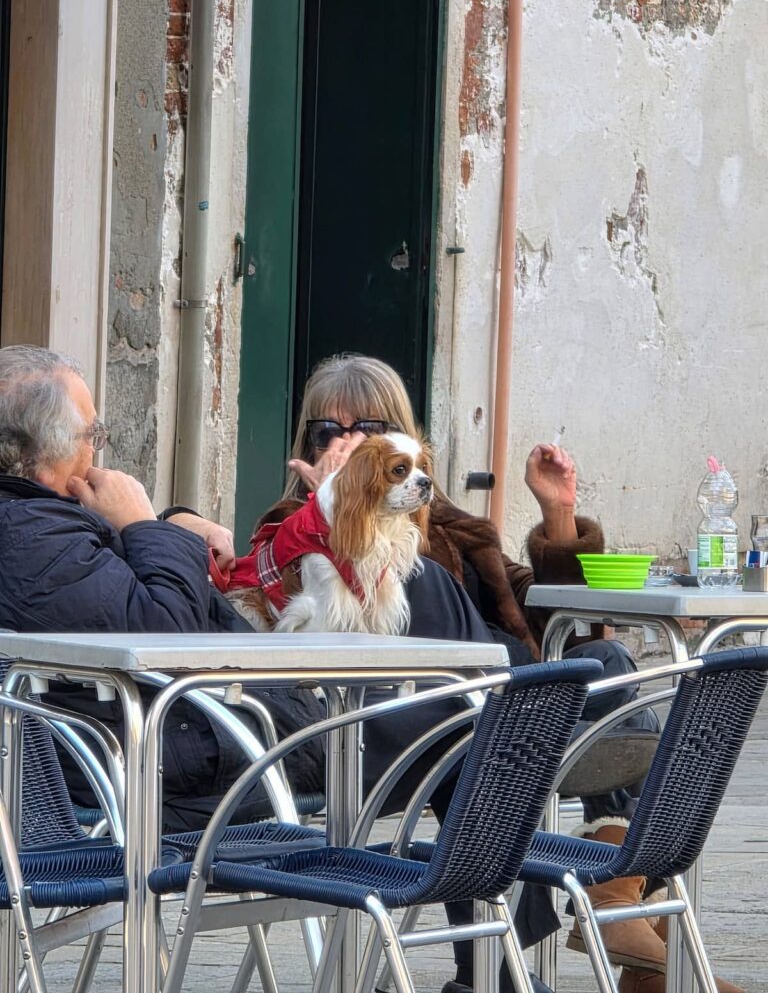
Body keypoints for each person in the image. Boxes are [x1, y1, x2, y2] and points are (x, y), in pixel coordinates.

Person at [0, 344, 554, 993]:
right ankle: (493, 974)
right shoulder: (31, 533)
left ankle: (484, 969)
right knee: (472, 738)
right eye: (92, 434)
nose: (100, 449)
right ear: (49, 450)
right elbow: (163, 632)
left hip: (207, 734)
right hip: (188, 757)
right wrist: (148, 527)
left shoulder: (45, 525)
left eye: (369, 433)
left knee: (470, 723)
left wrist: (160, 530)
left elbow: (140, 613)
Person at [277, 353, 743, 993]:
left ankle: (613, 885)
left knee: (604, 663)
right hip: (375, 731)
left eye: (368, 429)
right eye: (327, 433)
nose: (346, 444)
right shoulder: (287, 532)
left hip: (484, 717)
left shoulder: (456, 530)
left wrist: (557, 517)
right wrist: (336, 512)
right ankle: (558, 955)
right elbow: (288, 623)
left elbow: (565, 629)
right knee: (483, 737)